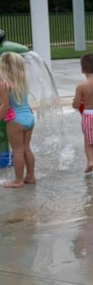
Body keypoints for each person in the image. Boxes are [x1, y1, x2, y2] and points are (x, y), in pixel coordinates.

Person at [0, 52, 36, 188]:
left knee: (17, 151)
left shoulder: (4, 85)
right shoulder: (23, 82)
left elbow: (5, 106)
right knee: (26, 148)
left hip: (15, 120)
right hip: (29, 117)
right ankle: (31, 176)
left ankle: (18, 180)